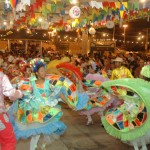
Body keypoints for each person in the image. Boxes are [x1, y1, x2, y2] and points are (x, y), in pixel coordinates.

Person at [9, 58, 67, 150]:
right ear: (37, 72)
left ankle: (42, 146)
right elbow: (24, 94)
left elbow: (59, 92)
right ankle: (33, 148)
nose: (44, 72)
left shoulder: (49, 82)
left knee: (45, 131)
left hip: (47, 110)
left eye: (44, 70)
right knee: (36, 133)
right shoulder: (31, 82)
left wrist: (69, 102)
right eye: (42, 70)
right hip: (35, 111)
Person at [0, 66, 23, 150]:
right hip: (0, 118)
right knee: (8, 141)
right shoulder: (1, 77)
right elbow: (11, 93)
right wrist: (20, 93)